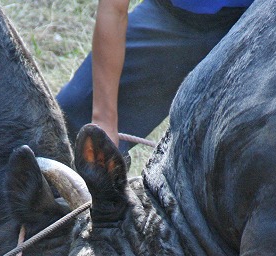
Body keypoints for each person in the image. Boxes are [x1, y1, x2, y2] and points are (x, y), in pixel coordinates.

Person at [57, 0, 253, 152]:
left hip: (253, 21)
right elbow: (113, 10)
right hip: (169, 17)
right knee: (67, 125)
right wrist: (103, 119)